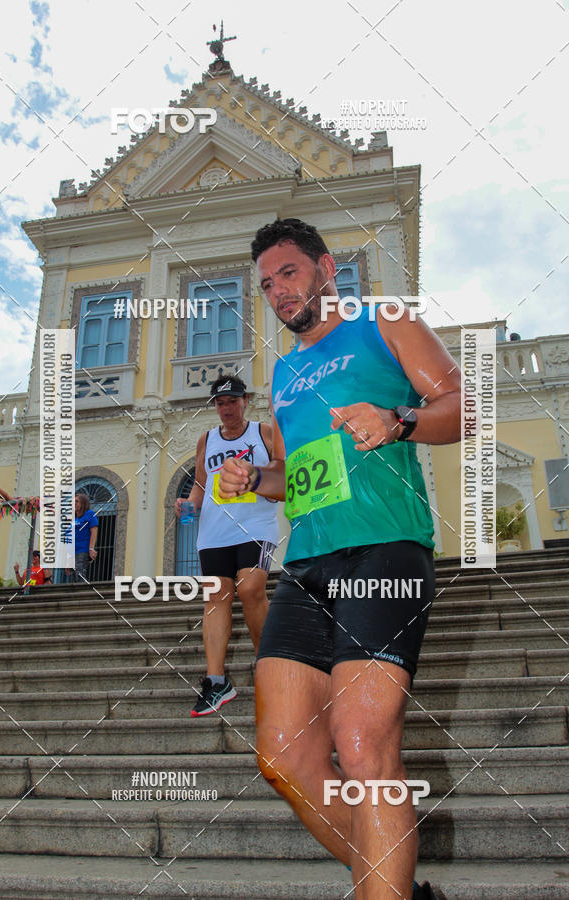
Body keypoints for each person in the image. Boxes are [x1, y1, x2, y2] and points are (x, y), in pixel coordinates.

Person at [219, 219, 461, 900]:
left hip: (386, 548)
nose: (277, 292)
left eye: (289, 273)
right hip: (307, 565)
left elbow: (464, 404)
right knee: (283, 758)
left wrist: (400, 419)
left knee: (361, 746)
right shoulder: (284, 371)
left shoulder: (384, 319)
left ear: (326, 268)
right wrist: (254, 478)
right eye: (266, 284)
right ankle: (397, 888)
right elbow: (297, 477)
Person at [175, 374, 279, 718]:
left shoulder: (262, 432)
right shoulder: (206, 439)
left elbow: (279, 472)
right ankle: (217, 681)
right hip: (214, 533)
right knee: (215, 598)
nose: (226, 409)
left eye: (232, 401)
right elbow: (200, 487)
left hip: (255, 526)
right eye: (220, 403)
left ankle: (268, 667)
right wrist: (187, 508)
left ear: (244, 401)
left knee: (250, 588)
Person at [65, 492, 98, 583]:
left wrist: (91, 548)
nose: (74, 503)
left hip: (82, 550)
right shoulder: (74, 520)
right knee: (72, 577)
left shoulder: (89, 514)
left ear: (83, 503)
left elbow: (94, 531)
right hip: (72, 552)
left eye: (77, 501)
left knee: (79, 574)